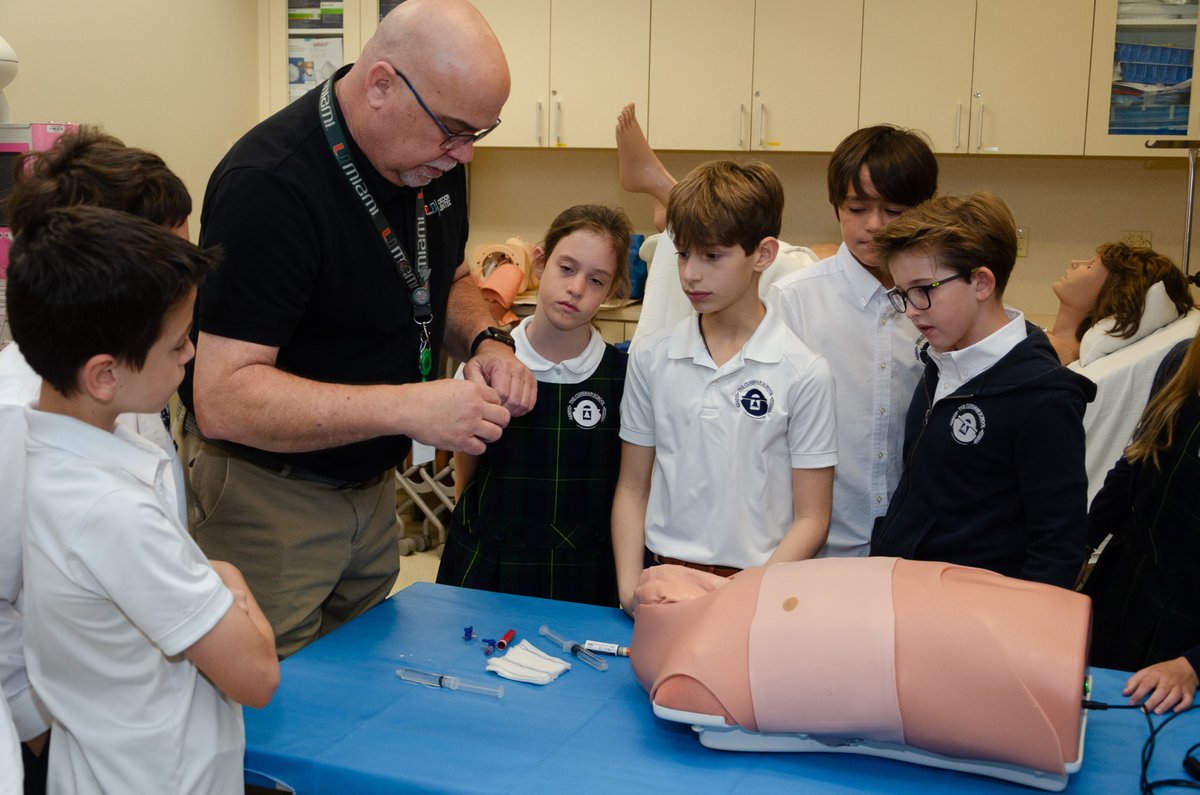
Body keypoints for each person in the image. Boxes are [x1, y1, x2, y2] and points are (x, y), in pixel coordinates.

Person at [178, 0, 537, 657]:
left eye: (478, 134)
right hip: (269, 497)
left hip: (370, 490)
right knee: (271, 701)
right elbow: (223, 396)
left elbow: (449, 275)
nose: (463, 154)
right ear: (381, 85)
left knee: (359, 685)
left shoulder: (431, 162)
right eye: (454, 131)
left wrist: (486, 340)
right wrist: (410, 408)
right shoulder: (270, 185)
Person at [7, 205, 279, 794]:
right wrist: (229, 577)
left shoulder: (58, 458)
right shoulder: (111, 510)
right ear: (104, 375)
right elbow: (256, 675)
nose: (191, 353)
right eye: (177, 343)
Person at [0, 126, 194, 793]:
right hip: (61, 728)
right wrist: (37, 724)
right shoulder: (15, 417)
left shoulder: (128, 379)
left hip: (134, 719)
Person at [612, 160, 838, 616]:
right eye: (683, 254)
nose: (690, 274)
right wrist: (629, 589)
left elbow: (812, 518)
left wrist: (747, 600)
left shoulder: (803, 371)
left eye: (712, 256)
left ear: (763, 254)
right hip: (662, 581)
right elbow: (633, 488)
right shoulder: (652, 357)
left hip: (757, 591)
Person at [869, 192, 1096, 589]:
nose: (911, 309)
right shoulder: (941, 361)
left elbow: (1059, 544)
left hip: (977, 607)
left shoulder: (1041, 396)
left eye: (923, 289)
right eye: (903, 294)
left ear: (981, 282)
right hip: (914, 589)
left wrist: (1015, 622)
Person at [438, 205, 633, 606]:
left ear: (611, 291)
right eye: (567, 268)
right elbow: (466, 471)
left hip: (584, 576)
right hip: (491, 569)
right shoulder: (488, 362)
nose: (576, 288)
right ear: (540, 263)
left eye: (596, 280)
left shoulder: (624, 377)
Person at [771, 124, 938, 558]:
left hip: (912, 547)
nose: (874, 226)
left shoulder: (939, 303)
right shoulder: (794, 300)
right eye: (857, 208)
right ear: (837, 207)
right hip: (817, 547)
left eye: (894, 210)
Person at [1083, 327, 1200, 713]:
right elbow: (1136, 461)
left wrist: (1193, 665)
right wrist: (1082, 542)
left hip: (1187, 631)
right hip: (1127, 578)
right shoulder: (1183, 361)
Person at [1046, 241, 1194, 365]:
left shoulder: (1054, 352)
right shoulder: (1049, 341)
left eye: (1090, 266)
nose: (1075, 263)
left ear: (1112, 294)